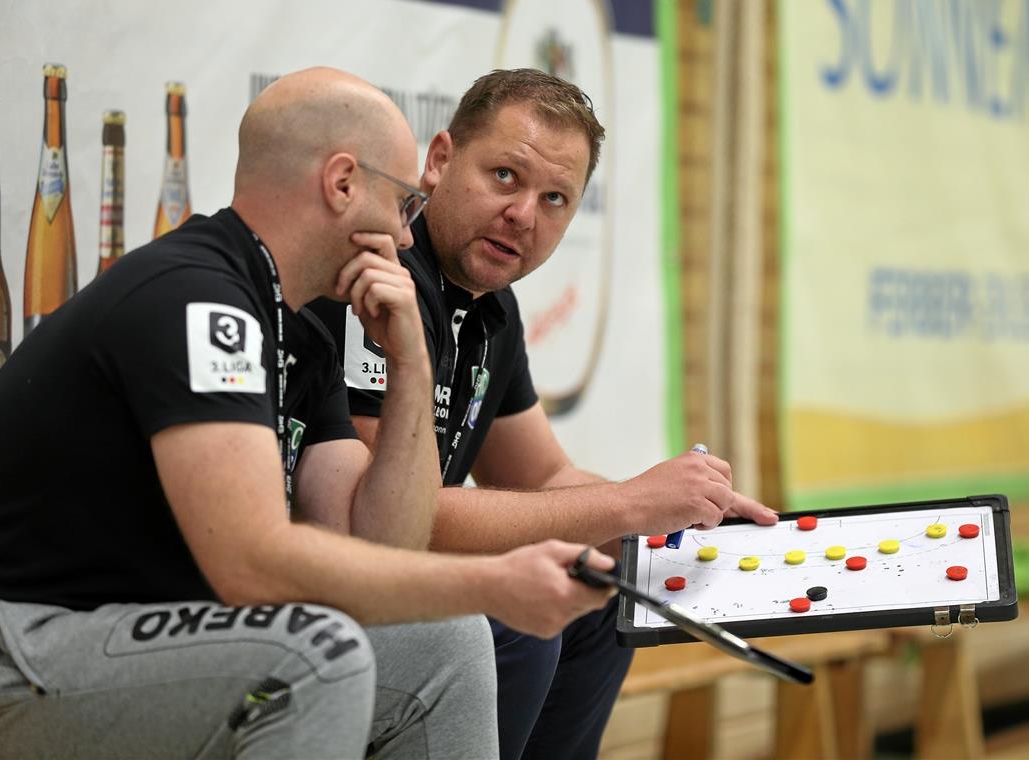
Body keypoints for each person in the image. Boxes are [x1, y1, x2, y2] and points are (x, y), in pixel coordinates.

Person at [0, 67, 615, 760]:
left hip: (108, 643)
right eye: (403, 205)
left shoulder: (298, 326)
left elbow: (380, 545)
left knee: (447, 640)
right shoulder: (198, 296)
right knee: (309, 658)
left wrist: (410, 368)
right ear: (341, 184)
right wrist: (496, 583)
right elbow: (253, 566)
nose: (402, 238)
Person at [310, 68, 781, 760]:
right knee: (523, 620)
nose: (524, 214)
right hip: (327, 576)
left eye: (554, 198)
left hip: (396, 575)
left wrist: (673, 518)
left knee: (597, 599)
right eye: (505, 176)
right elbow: (391, 519)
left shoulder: (493, 308)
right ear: (439, 161)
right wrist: (626, 506)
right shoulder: (383, 274)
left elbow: (543, 474)